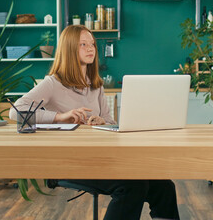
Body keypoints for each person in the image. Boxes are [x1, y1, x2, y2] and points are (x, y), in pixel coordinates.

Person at [10, 25, 180, 220]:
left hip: (98, 158)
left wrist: (102, 121)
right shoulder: (53, 83)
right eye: (83, 44)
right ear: (69, 49)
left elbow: (110, 121)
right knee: (133, 185)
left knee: (164, 186)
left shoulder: (95, 85)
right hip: (65, 163)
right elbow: (17, 112)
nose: (91, 49)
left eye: (92, 44)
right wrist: (60, 116)